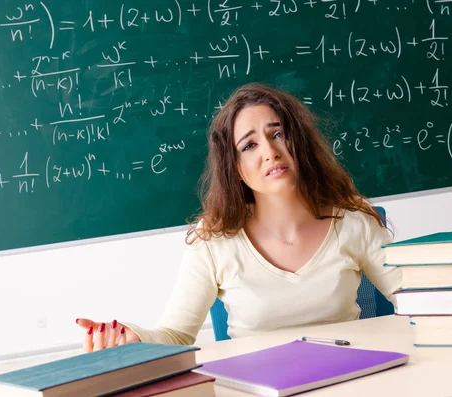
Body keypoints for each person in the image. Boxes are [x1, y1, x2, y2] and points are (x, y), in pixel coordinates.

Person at [76, 83, 401, 351]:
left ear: (299, 142)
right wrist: (133, 336)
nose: (270, 152)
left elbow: (418, 300)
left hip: (348, 381)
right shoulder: (213, 239)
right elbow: (175, 336)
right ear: (235, 168)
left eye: (278, 134)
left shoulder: (353, 218)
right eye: (249, 146)